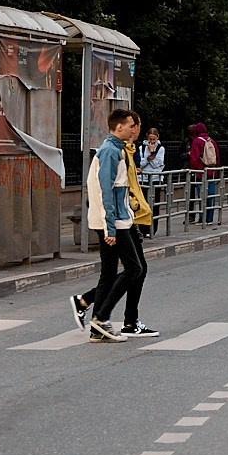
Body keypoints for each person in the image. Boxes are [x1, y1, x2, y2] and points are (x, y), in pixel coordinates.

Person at [75, 108, 157, 340]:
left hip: (117, 219)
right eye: (132, 125)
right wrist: (110, 227)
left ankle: (97, 329)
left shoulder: (116, 149)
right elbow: (106, 192)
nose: (134, 129)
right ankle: (101, 317)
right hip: (115, 222)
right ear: (119, 126)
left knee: (109, 273)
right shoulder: (110, 151)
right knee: (134, 269)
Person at [133, 126, 166, 237]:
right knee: (143, 203)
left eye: (154, 139)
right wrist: (149, 157)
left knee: (154, 204)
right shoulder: (142, 147)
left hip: (156, 178)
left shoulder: (161, 149)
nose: (152, 142)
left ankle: (152, 228)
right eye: (150, 139)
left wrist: (152, 155)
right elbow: (140, 163)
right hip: (143, 179)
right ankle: (143, 228)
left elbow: (158, 164)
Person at [187, 120, 220, 222]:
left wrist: (194, 169)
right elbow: (217, 157)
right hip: (211, 171)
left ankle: (203, 218)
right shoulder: (211, 141)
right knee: (211, 195)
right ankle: (210, 218)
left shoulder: (196, 141)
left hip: (200, 173)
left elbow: (194, 158)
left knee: (202, 196)